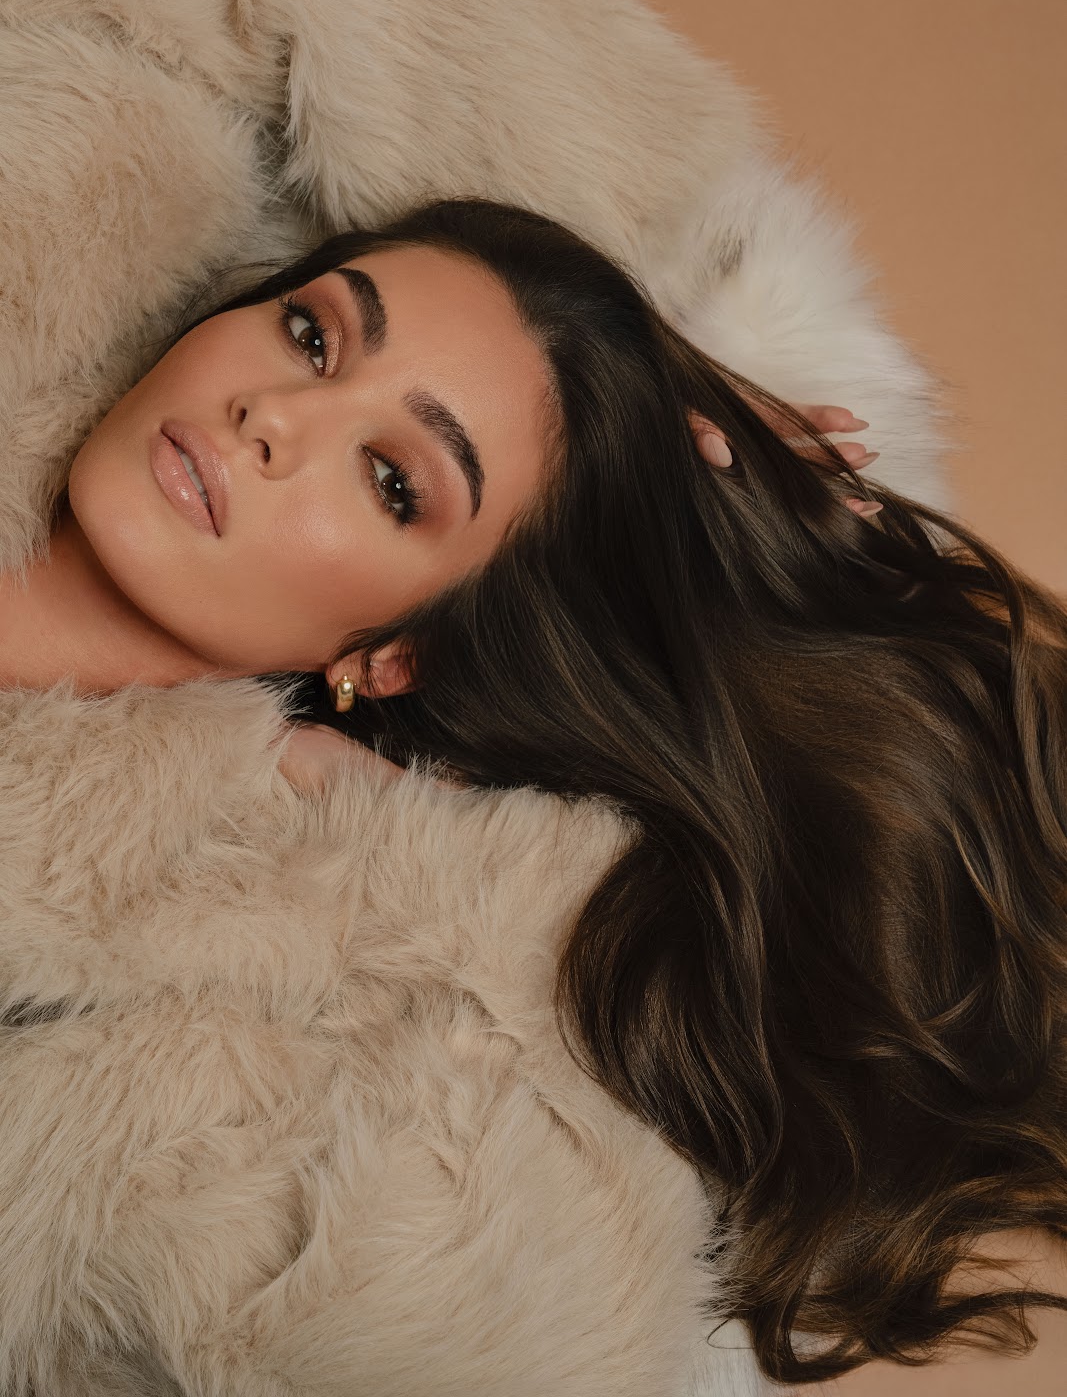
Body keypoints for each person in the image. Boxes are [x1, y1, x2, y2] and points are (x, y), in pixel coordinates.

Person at [1, 196, 1064, 1385]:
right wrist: (650, 361)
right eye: (311, 334)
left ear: (386, 657)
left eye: (392, 481)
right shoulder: (58, 254)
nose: (275, 416)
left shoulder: (223, 995)